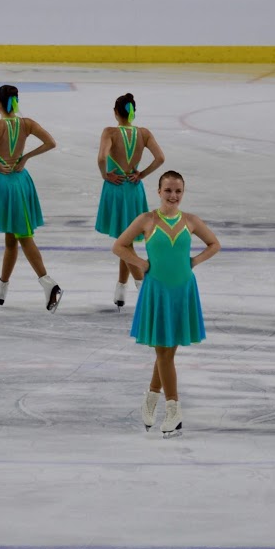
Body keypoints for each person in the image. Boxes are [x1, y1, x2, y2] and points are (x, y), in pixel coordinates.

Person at [112, 171, 221, 438]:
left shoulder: (190, 221)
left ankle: (151, 398)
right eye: (168, 190)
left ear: (183, 193)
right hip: (157, 292)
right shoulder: (147, 220)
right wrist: (142, 264)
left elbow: (214, 244)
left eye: (178, 191)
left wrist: (194, 262)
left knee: (166, 354)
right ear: (159, 191)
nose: (173, 196)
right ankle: (174, 409)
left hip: (183, 292)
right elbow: (120, 246)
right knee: (164, 352)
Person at [0, 84, 63, 311]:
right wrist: (25, 157)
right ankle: (2, 288)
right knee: (11, 238)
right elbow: (50, 142)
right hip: (21, 181)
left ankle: (49, 284)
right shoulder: (26, 124)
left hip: (6, 185)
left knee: (24, 236)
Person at [95, 93, 166, 309]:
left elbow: (101, 158)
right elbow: (160, 158)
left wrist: (104, 174)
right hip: (134, 189)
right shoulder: (143, 133)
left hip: (116, 189)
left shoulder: (110, 132)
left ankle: (144, 287)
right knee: (125, 240)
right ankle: (121, 288)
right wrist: (142, 174)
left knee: (123, 243)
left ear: (116, 112)